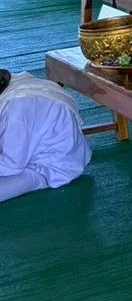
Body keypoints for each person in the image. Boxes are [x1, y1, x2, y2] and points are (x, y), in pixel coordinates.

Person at [0, 69, 90, 203]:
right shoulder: (16, 87)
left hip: (48, 167)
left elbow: (10, 165)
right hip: (25, 155)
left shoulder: (17, 109)